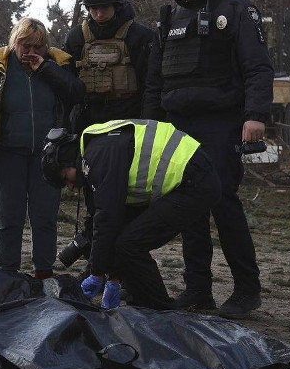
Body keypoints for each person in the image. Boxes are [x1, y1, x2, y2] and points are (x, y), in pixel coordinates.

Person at [142, 0, 274, 318]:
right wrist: (151, 127)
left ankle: (247, 290)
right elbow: (155, 82)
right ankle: (198, 290)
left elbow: (257, 67)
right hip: (177, 127)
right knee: (188, 209)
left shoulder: (235, 8)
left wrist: (255, 115)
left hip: (221, 123)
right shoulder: (168, 18)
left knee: (223, 203)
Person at [40, 120, 220, 310]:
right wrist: (113, 277)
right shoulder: (94, 148)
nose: (70, 186)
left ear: (69, 161)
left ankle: (161, 310)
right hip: (192, 175)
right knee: (127, 241)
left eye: (65, 178)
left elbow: (107, 220)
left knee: (131, 245)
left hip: (194, 183)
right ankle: (142, 301)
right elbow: (105, 221)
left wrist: (97, 273)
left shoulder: (99, 159)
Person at [0, 17, 85, 279]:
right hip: (7, 153)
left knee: (45, 217)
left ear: (45, 47)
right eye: (25, 45)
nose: (30, 52)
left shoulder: (58, 65)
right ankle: (7, 272)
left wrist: (45, 68)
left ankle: (43, 272)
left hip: (49, 157)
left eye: (37, 47)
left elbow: (77, 94)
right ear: (14, 43)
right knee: (9, 217)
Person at [60, 0, 154, 268]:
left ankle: (121, 271)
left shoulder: (140, 36)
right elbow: (67, 92)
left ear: (117, 4)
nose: (98, 14)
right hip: (91, 131)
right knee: (96, 204)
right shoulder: (76, 38)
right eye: (93, 8)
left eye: (104, 7)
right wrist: (70, 145)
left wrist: (148, 130)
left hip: (129, 130)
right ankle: (98, 267)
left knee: (129, 205)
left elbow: (152, 87)